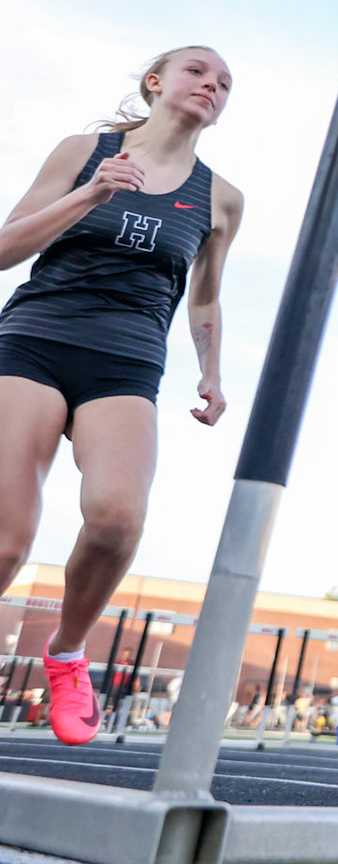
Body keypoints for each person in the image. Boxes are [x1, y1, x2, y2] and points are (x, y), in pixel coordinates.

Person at [0, 47, 242, 746]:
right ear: (157, 82)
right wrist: (90, 194)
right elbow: (6, 249)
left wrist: (212, 370)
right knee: (8, 540)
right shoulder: (85, 152)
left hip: (128, 359)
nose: (212, 85)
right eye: (199, 70)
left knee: (115, 520)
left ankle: (68, 656)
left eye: (225, 84)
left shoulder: (220, 198)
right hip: (34, 340)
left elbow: (206, 296)